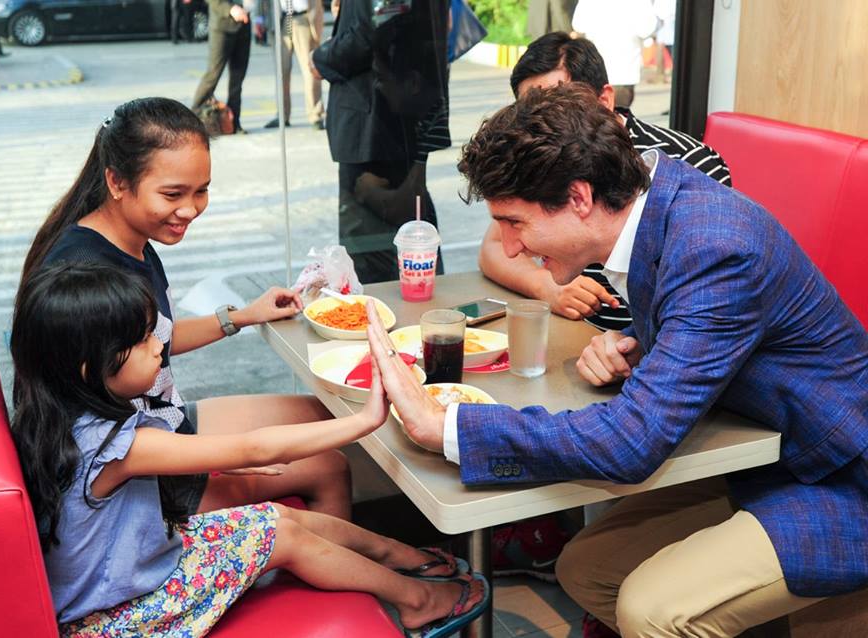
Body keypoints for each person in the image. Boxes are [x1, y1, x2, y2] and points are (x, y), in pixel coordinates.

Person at [367, 83, 868, 637]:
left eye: (515, 222)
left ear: (579, 198)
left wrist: (449, 427)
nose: (509, 247)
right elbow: (704, 316)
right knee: (586, 570)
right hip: (765, 456)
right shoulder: (658, 203)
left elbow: (632, 443)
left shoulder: (717, 245)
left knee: (651, 610)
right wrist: (640, 338)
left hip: (839, 476)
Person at [10, 262, 489, 635]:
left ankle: (395, 554)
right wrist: (366, 418)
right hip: (122, 616)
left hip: (135, 569)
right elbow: (254, 448)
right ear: (88, 368)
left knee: (282, 518)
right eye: (140, 340)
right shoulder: (112, 445)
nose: (159, 344)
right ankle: (417, 602)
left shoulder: (60, 415)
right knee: (282, 537)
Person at [15, 97, 351, 525]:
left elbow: (157, 337)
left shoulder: (131, 235)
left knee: (325, 413)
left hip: (163, 422)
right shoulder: (87, 274)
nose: (190, 209)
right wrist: (215, 458)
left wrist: (243, 316)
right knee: (330, 467)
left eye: (201, 190)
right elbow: (100, 437)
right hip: (133, 482)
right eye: (173, 194)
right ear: (117, 181)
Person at [479, 32, 730, 332]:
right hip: (576, 335)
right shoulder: (540, 160)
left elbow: (708, 302)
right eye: (530, 111)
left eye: (559, 104)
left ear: (604, 100)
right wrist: (547, 287)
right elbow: (494, 248)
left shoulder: (686, 165)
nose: (541, 122)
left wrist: (630, 343)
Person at [311, 0, 449, 284]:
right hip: (391, 113)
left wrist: (322, 58)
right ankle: (418, 305)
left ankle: (383, 317)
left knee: (374, 243)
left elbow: (368, 32)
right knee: (410, 230)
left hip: (374, 118)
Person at [255, 0, 326, 130]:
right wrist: (259, 18)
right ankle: (283, 115)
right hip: (281, 20)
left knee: (310, 69)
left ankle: (316, 115)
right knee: (281, 71)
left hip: (303, 18)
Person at [571, 0, 655, 108]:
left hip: (596, 70)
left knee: (596, 117)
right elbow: (647, 29)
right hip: (625, 71)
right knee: (618, 117)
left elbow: (578, 25)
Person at [192, 0, 252, 133]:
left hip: (245, 23)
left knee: (237, 78)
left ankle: (234, 123)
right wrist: (230, 9)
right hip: (222, 27)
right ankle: (192, 118)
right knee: (213, 74)